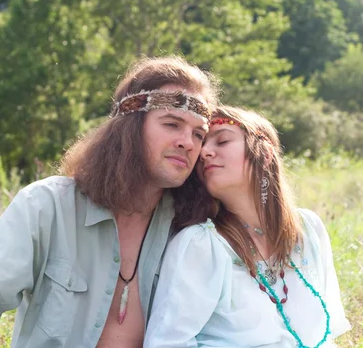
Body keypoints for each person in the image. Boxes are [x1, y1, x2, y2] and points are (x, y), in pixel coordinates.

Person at [0, 56, 219, 348]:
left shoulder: (193, 230)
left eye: (198, 134)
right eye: (172, 124)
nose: (187, 143)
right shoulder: (47, 206)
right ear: (129, 128)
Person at [144, 106, 351, 347]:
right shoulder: (202, 245)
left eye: (221, 141)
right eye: (203, 146)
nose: (204, 153)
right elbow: (167, 343)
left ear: (264, 154)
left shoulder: (308, 229)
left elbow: (328, 335)